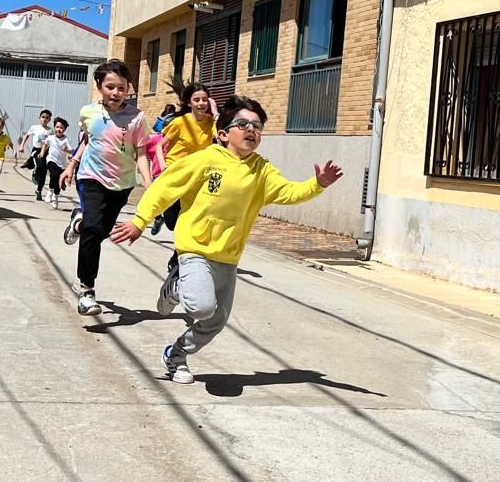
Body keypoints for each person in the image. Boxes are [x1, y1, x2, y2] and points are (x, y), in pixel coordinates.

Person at [111, 95, 342, 384]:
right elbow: (164, 188)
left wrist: (317, 185)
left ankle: (176, 355)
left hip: (228, 256)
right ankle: (178, 283)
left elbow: (287, 192)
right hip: (195, 248)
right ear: (222, 134)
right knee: (200, 307)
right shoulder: (206, 159)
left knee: (215, 320)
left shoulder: (262, 170)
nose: (251, 129)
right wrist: (139, 220)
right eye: (242, 123)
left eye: (257, 126)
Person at [60, 60, 151, 315]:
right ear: (99, 86)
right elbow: (88, 140)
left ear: (128, 89)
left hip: (121, 184)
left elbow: (141, 153)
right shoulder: (88, 112)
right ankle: (87, 289)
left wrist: (149, 181)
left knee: (99, 231)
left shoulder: (137, 118)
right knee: (93, 228)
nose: (115, 92)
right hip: (91, 177)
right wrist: (71, 166)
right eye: (110, 86)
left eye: (121, 88)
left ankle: (78, 222)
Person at [150, 83, 216, 240]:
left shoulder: (211, 122)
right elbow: (159, 145)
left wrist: (216, 112)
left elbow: (220, 138)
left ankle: (179, 255)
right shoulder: (180, 122)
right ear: (189, 103)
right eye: (197, 100)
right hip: (176, 171)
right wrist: (163, 165)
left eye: (205, 100)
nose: (201, 103)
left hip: (197, 175)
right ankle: (165, 218)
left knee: (191, 217)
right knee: (173, 222)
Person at [42, 116, 75, 210]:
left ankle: (55, 197)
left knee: (58, 182)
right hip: (51, 160)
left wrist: (67, 151)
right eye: (57, 127)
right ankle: (50, 191)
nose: (59, 129)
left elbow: (71, 151)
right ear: (54, 127)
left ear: (64, 130)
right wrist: (42, 152)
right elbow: (45, 144)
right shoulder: (50, 138)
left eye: (61, 128)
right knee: (54, 175)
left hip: (62, 164)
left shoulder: (65, 140)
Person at [20, 109, 53, 200]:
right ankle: (34, 167)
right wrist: (22, 145)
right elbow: (27, 135)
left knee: (43, 171)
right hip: (36, 150)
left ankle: (39, 190)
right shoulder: (34, 127)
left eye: (47, 118)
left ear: (49, 120)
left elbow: (52, 142)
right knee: (40, 166)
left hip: (46, 151)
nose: (44, 119)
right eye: (43, 117)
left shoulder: (50, 131)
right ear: (39, 118)